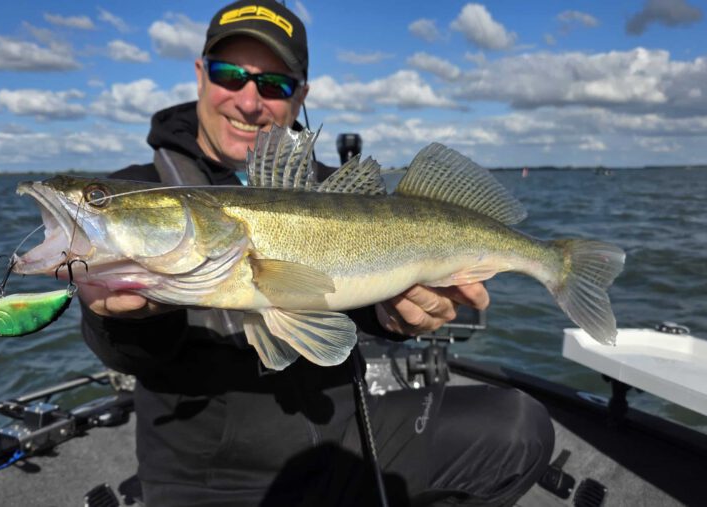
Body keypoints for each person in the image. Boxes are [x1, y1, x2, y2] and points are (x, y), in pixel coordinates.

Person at [78, 1, 555, 505]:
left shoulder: (332, 192)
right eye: (229, 74)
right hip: (208, 476)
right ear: (200, 74)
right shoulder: (136, 193)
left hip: (346, 438)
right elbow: (123, 352)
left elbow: (362, 292)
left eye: (274, 84)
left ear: (300, 94)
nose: (247, 100)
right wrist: (128, 320)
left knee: (517, 428)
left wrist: (394, 315)